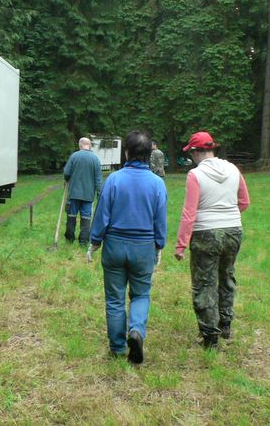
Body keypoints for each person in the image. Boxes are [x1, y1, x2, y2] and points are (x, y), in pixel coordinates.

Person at [88, 131, 167, 364]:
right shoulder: (157, 183)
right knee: (141, 294)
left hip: (114, 245)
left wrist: (95, 241)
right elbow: (160, 219)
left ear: (126, 153)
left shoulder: (113, 180)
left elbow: (102, 213)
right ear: (150, 154)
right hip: (143, 247)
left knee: (114, 299)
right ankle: (136, 331)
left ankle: (117, 347)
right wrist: (159, 245)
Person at [174, 131, 250, 350]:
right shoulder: (233, 169)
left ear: (196, 152)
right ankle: (225, 324)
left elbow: (189, 213)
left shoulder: (195, 175)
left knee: (204, 283)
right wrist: (227, 217)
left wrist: (181, 245)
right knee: (226, 276)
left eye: (191, 153)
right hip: (233, 230)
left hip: (205, 233)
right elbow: (244, 202)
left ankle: (210, 337)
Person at [63, 137, 103, 245]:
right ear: (90, 145)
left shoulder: (74, 156)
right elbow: (98, 180)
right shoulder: (95, 159)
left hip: (73, 194)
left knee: (71, 216)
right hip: (88, 195)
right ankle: (83, 242)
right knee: (86, 218)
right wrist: (100, 195)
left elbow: (66, 172)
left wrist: (67, 179)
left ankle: (69, 240)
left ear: (80, 145)